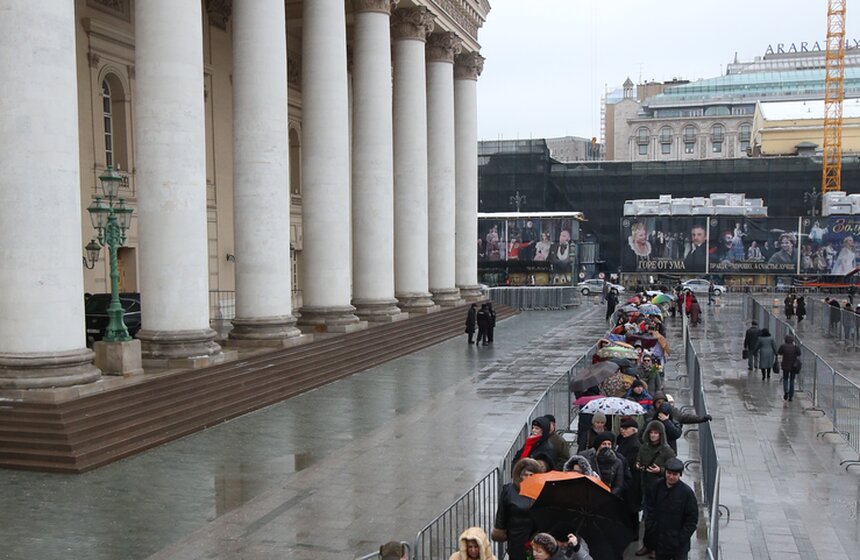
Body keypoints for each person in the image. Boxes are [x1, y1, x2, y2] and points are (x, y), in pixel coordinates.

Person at [643, 457, 698, 560]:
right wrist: (651, 528)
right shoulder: (657, 487)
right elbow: (650, 509)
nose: (671, 477)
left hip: (678, 547)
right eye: (669, 473)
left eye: (674, 474)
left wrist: (680, 539)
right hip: (660, 542)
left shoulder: (687, 493)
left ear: (680, 475)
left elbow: (692, 520)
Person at [634, 421, 676, 557]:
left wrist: (660, 471)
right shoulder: (644, 447)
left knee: (659, 520)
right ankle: (647, 545)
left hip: (661, 490)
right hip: (646, 487)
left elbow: (674, 468)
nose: (653, 435)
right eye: (651, 432)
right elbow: (638, 459)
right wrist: (638, 464)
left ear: (661, 435)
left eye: (656, 433)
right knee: (648, 520)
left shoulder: (667, 451)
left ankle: (656, 548)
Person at [493, 458, 544, 560]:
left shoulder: (541, 490)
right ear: (520, 475)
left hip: (535, 536)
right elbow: (502, 514)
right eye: (526, 475)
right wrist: (499, 529)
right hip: (516, 537)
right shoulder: (509, 490)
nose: (528, 478)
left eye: (531, 475)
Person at [616, 417, 643, 537]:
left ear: (634, 430)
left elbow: (628, 461)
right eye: (622, 428)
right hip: (627, 479)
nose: (623, 430)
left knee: (632, 509)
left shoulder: (635, 444)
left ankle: (634, 533)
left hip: (632, 481)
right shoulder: (624, 440)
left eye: (626, 428)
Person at [777, 334, 802, 402]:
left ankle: (786, 391)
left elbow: (779, 352)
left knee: (785, 379)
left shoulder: (783, 346)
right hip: (793, 366)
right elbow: (799, 353)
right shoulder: (795, 347)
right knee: (792, 380)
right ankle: (791, 395)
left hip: (785, 365)